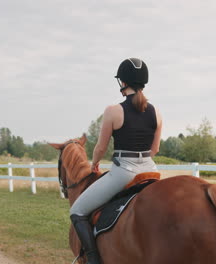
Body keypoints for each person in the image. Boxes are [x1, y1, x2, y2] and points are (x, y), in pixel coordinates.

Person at [69, 58, 163, 264]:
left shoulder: (113, 110)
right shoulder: (156, 112)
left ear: (123, 82)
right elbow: (154, 149)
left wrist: (94, 163)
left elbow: (101, 148)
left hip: (123, 173)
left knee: (77, 210)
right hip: (151, 170)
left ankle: (93, 260)